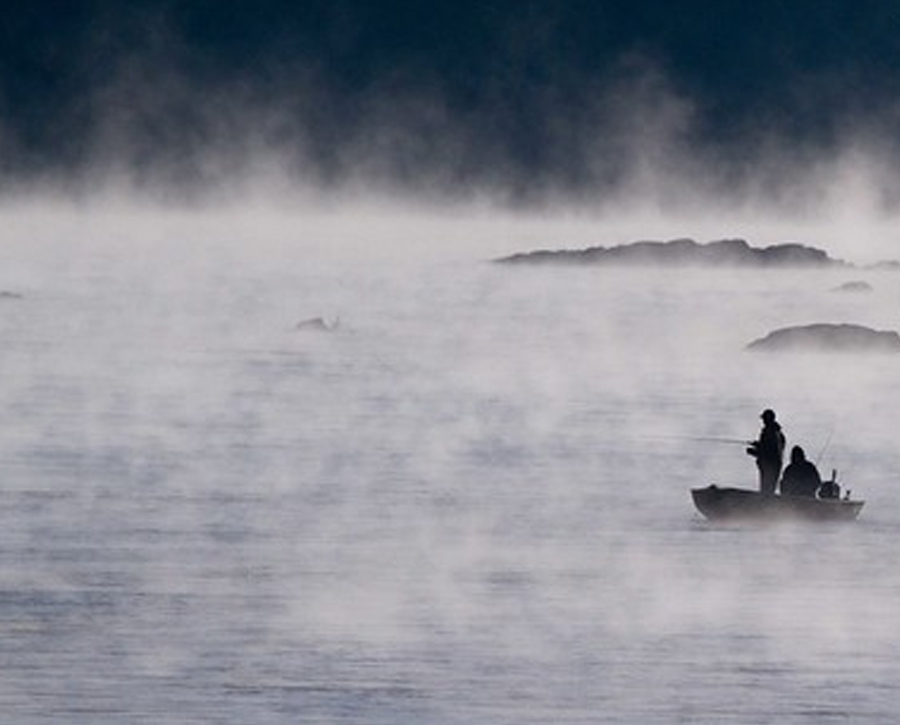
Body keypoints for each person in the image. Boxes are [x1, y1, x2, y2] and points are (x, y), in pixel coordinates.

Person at [746, 409, 786, 495]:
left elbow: (768, 452)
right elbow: (772, 448)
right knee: (770, 489)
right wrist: (758, 445)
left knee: (766, 489)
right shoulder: (778, 432)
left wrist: (753, 452)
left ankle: (765, 505)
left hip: (769, 466)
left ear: (768, 419)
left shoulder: (769, 432)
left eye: (764, 419)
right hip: (776, 464)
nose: (763, 421)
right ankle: (769, 504)